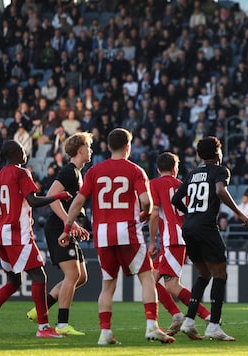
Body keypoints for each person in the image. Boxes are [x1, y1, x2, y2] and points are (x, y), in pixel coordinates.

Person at [57, 128, 175, 345]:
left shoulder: (94, 171)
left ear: (109, 147)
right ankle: (152, 326)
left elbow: (78, 202)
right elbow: (147, 202)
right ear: (128, 147)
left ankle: (105, 333)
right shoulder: (136, 170)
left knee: (108, 285)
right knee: (147, 277)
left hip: (102, 234)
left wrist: (66, 229)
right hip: (127, 231)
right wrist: (145, 213)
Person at [0, 140, 72, 338]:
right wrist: (57, 196)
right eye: (23, 150)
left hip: (0, 235)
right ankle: (43, 328)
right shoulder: (21, 172)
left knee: (13, 282)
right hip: (18, 234)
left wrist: (3, 215)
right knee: (39, 277)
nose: (26, 153)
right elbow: (33, 200)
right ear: (17, 153)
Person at [171, 136, 248, 341]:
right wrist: (239, 214)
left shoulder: (191, 174)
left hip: (188, 227)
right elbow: (219, 190)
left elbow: (175, 199)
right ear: (218, 154)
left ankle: (189, 321)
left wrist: (189, 213)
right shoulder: (220, 171)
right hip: (206, 227)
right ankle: (214, 325)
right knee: (220, 274)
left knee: (204, 273)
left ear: (199, 155)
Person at [26, 133, 93, 336]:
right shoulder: (69, 171)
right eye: (89, 147)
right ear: (81, 149)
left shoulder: (78, 173)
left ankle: (40, 309)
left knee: (81, 277)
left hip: (65, 227)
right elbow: (52, 197)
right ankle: (62, 324)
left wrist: (74, 225)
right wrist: (67, 222)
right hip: (57, 228)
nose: (91, 150)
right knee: (72, 275)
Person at [148, 152, 211, 339]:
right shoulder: (184, 186)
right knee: (150, 280)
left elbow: (154, 213)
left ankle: (204, 316)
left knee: (171, 286)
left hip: (172, 240)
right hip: (183, 238)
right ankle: (180, 316)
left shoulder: (154, 184)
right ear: (176, 169)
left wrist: (151, 241)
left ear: (158, 168)